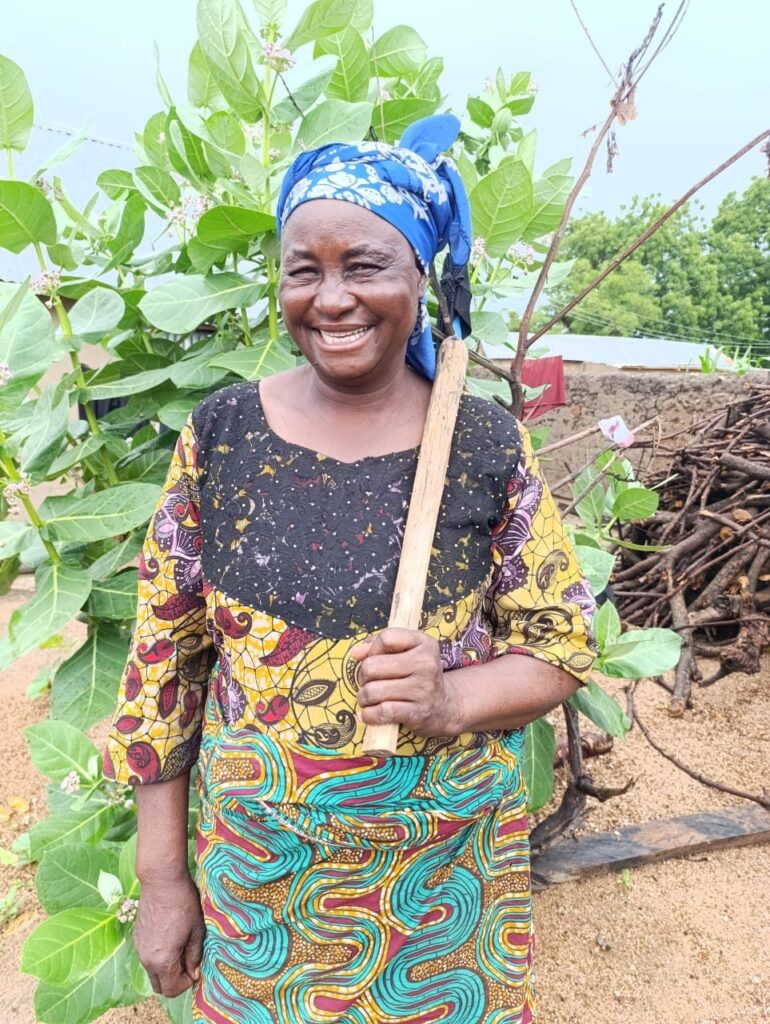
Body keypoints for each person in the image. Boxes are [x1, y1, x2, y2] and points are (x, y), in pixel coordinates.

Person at [105, 115, 597, 1024]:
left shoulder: (484, 445)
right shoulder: (220, 437)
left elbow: (560, 645)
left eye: (364, 265)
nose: (331, 298)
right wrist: (162, 877)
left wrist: (451, 700)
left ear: (421, 275)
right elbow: (163, 670)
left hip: (442, 894)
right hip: (261, 885)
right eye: (305, 269)